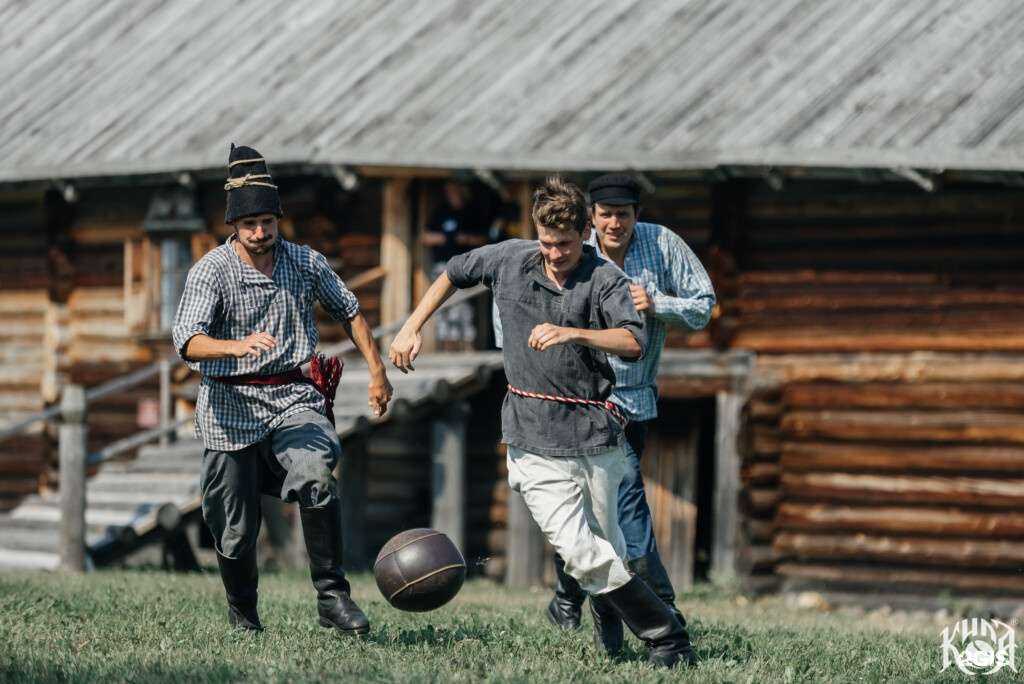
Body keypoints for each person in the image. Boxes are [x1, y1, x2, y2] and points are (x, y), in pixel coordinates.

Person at [389, 176, 694, 668]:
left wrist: (575, 333)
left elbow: (633, 342)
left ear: (584, 234)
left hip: (596, 435)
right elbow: (454, 272)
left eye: (565, 245)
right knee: (578, 549)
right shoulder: (510, 258)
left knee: (610, 549)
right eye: (547, 243)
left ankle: (611, 645)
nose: (554, 254)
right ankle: (669, 639)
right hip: (531, 437)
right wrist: (411, 325)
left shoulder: (605, 278)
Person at [172, 144, 393, 634]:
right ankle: (244, 613)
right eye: (250, 224)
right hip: (229, 410)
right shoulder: (212, 271)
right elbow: (187, 340)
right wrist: (234, 347)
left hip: (294, 399)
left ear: (278, 220)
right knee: (233, 529)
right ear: (234, 225)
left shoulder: (305, 262)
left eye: (267, 222)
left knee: (316, 475)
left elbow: (350, 310)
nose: (260, 232)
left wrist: (378, 371)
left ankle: (333, 598)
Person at [543, 173, 715, 657]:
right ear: (592, 217)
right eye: (605, 215)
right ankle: (666, 618)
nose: (614, 223)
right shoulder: (573, 249)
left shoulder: (663, 245)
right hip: (582, 399)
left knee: (593, 510)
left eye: (623, 214)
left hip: (637, 400)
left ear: (637, 215)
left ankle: (567, 597)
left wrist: (656, 303)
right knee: (626, 509)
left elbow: (704, 306)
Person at [420, 180, 494, 347]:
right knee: (442, 306)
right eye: (449, 190)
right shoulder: (441, 212)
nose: (452, 193)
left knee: (463, 308)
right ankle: (448, 349)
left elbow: (484, 239)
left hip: (465, 267)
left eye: (455, 190)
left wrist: (464, 239)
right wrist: (447, 238)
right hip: (442, 267)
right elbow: (425, 237)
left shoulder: (471, 212)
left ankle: (467, 348)